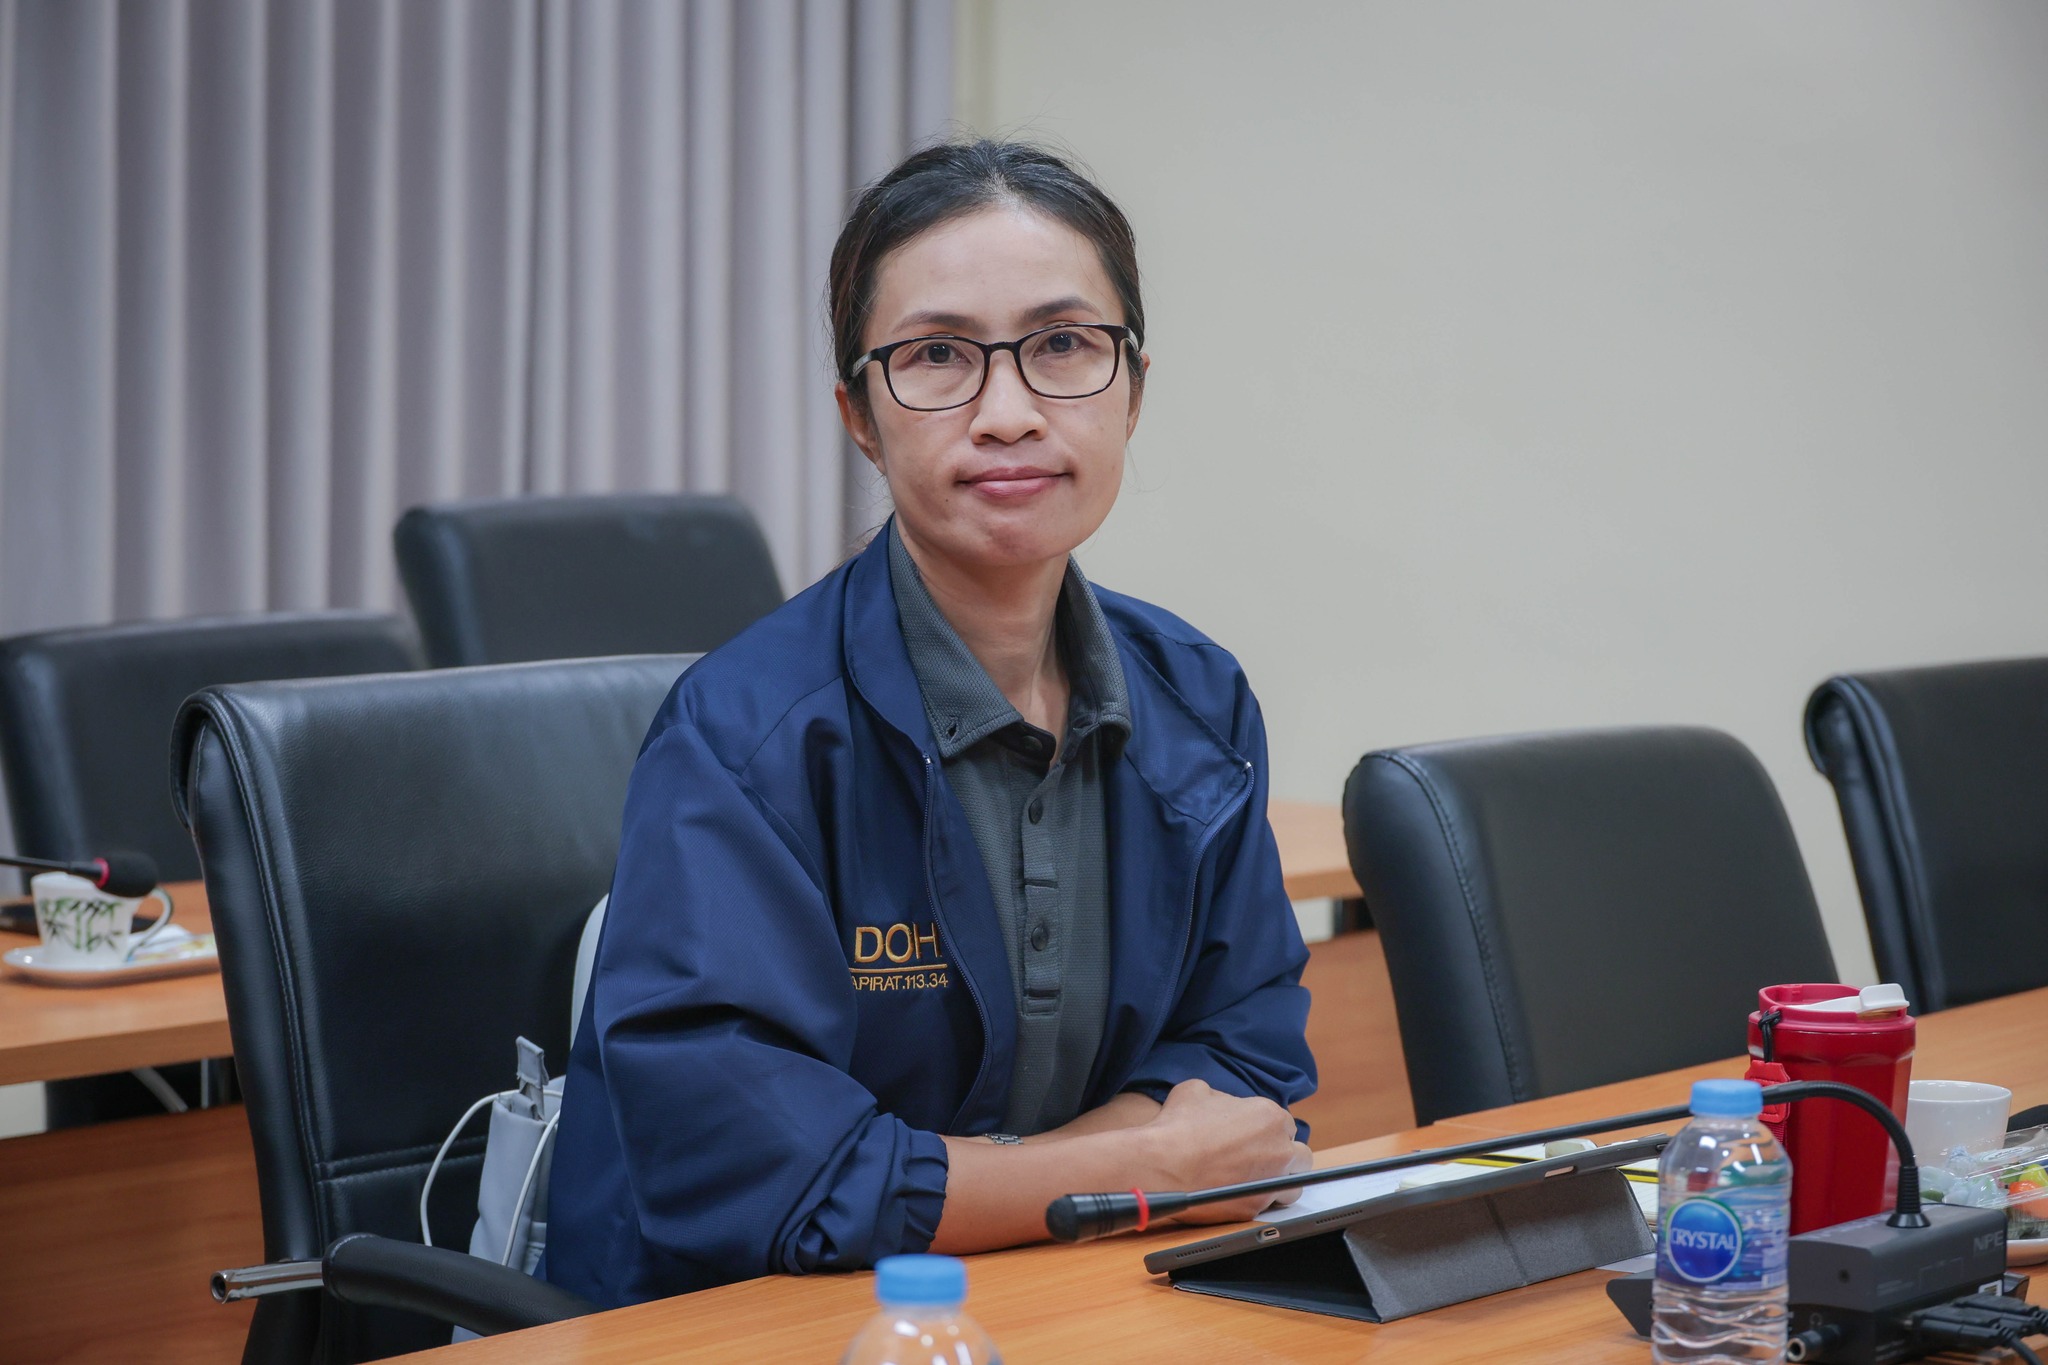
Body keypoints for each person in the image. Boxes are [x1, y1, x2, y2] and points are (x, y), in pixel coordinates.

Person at [544, 139, 1316, 1308]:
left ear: (1132, 388)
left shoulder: (1196, 698)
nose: (1006, 414)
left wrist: (1060, 1186)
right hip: (755, 1324)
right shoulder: (744, 737)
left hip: (1063, 1299)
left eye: (1063, 345)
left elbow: (1242, 1051)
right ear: (859, 414)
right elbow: (765, 1178)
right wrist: (1141, 1171)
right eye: (937, 356)